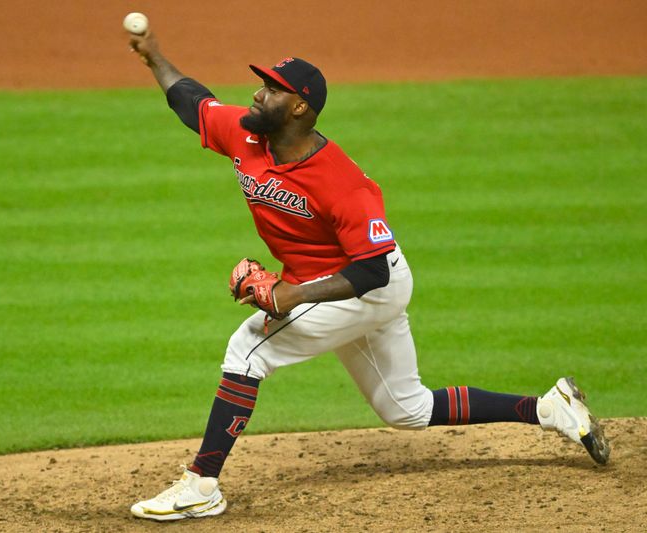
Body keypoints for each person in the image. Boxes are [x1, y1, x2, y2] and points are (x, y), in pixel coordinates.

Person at [125, 29, 610, 522]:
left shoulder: (342, 182)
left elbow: (372, 270)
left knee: (247, 350)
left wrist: (291, 295)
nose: (257, 94)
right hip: (344, 285)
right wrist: (154, 58)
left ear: (299, 108)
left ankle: (202, 484)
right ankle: (550, 409)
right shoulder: (247, 135)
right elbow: (193, 103)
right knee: (406, 408)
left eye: (272, 89)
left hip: (365, 284)